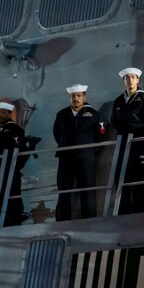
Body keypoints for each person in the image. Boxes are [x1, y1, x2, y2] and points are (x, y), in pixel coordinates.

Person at [110, 67, 144, 214]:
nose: (130, 80)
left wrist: (139, 129)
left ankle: (142, 212)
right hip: (122, 142)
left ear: (137, 80)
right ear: (124, 81)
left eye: (133, 77)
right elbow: (114, 121)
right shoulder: (119, 101)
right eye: (127, 78)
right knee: (122, 176)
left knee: (139, 177)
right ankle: (123, 212)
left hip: (138, 143)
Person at [53, 85, 107, 220]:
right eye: (73, 96)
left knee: (88, 191)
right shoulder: (62, 115)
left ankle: (89, 221)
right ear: (69, 97)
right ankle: (62, 222)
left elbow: (101, 136)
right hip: (66, 158)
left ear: (84, 97)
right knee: (64, 191)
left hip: (85, 158)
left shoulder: (94, 115)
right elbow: (57, 134)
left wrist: (88, 150)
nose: (75, 99)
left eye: (78, 96)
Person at [0, 100, 28, 226]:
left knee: (12, 198)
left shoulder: (16, 130)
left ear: (9, 113)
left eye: (2, 112)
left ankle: (13, 224)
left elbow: (22, 150)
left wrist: (17, 166)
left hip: (11, 168)